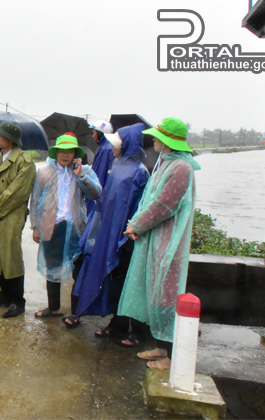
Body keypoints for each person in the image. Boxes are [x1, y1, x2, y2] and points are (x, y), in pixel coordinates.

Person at [117, 117, 201, 370]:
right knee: (155, 293)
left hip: (167, 241)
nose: (153, 140)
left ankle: (171, 357)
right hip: (152, 237)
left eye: (157, 136)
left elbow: (164, 205)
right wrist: (136, 224)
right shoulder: (165, 164)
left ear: (167, 141)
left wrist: (138, 226)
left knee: (166, 295)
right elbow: (148, 200)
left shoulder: (181, 168)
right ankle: (160, 346)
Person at [70, 123, 150, 341]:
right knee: (109, 278)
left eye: (116, 144)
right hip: (107, 231)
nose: (111, 148)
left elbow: (141, 205)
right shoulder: (118, 165)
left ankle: (123, 328)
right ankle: (115, 324)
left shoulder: (139, 171)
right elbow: (104, 199)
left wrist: (130, 231)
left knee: (122, 280)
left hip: (125, 237)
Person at [29, 133, 101, 320]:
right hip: (53, 227)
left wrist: (81, 176)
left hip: (77, 228)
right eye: (62, 151)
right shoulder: (44, 172)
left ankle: (76, 313)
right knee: (52, 269)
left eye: (70, 151)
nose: (65, 155)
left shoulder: (84, 171)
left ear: (76, 153)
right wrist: (35, 227)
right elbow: (35, 200)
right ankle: (54, 308)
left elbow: (96, 194)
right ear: (56, 152)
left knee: (78, 272)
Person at [0, 122, 36, 318]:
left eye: (0, 135)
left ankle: (17, 301)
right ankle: (4, 295)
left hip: (11, 214)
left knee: (11, 256)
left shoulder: (24, 162)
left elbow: (17, 193)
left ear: (11, 139)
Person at [85, 119, 114, 216]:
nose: (93, 136)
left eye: (94, 133)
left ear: (101, 133)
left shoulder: (106, 150)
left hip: (99, 196)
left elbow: (101, 175)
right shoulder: (104, 148)